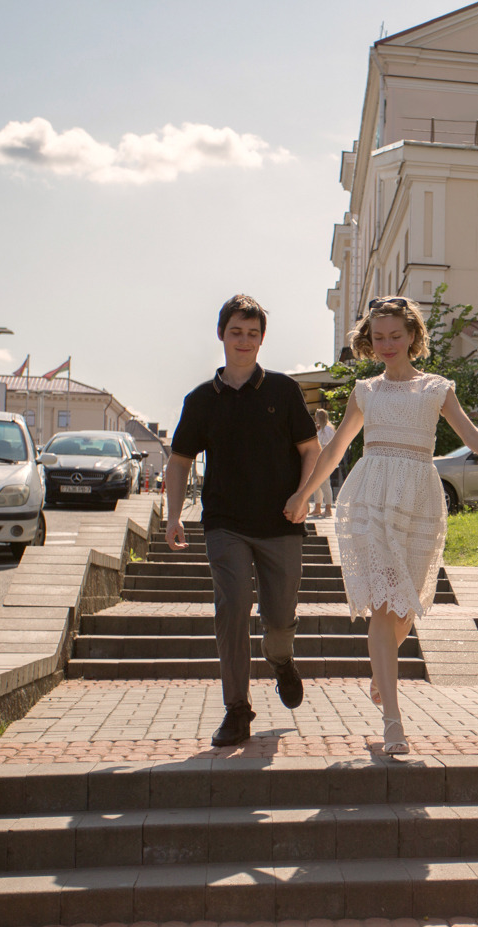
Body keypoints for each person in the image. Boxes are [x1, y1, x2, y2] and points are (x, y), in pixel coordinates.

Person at [289, 296, 478, 754]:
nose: (387, 344)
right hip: (372, 496)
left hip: (420, 499)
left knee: (404, 609)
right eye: (378, 337)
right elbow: (336, 449)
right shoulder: (365, 392)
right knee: (385, 607)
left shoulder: (437, 389)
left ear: (412, 337)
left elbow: (471, 435)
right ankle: (393, 722)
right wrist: (305, 493)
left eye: (395, 336)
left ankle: (379, 667)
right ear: (370, 340)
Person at [165, 294, 322, 747]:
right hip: (224, 522)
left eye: (252, 334)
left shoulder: (282, 390)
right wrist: (174, 517)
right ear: (221, 334)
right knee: (232, 607)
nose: (244, 341)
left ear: (262, 339)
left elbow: (310, 450)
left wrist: (303, 494)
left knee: (278, 619)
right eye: (236, 332)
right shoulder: (200, 400)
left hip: (281, 520)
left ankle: (281, 659)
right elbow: (178, 461)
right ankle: (237, 709)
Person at [310, 409, 336, 517]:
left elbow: (326, 446)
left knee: (325, 484)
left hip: (325, 460)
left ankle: (328, 509)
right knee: (317, 484)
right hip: (318, 460)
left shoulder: (328, 430)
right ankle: (317, 508)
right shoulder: (321, 429)